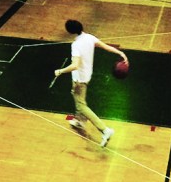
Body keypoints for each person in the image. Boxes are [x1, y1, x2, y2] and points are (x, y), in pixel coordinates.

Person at [53, 19, 128, 147]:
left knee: (82, 105)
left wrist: (60, 71)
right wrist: (120, 53)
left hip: (79, 80)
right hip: (87, 76)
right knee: (79, 99)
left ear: (70, 31)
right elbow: (106, 47)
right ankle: (80, 121)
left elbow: (75, 65)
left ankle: (105, 130)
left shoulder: (75, 45)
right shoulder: (89, 37)